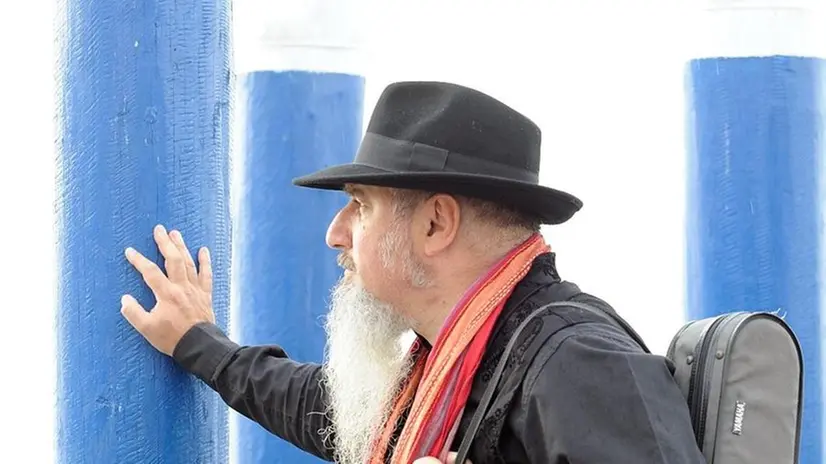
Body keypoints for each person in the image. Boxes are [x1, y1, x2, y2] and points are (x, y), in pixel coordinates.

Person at [120, 81, 705, 463]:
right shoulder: (452, 361)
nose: (336, 232)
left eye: (361, 205)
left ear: (435, 225)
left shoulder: (577, 363)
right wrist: (201, 344)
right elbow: (328, 406)